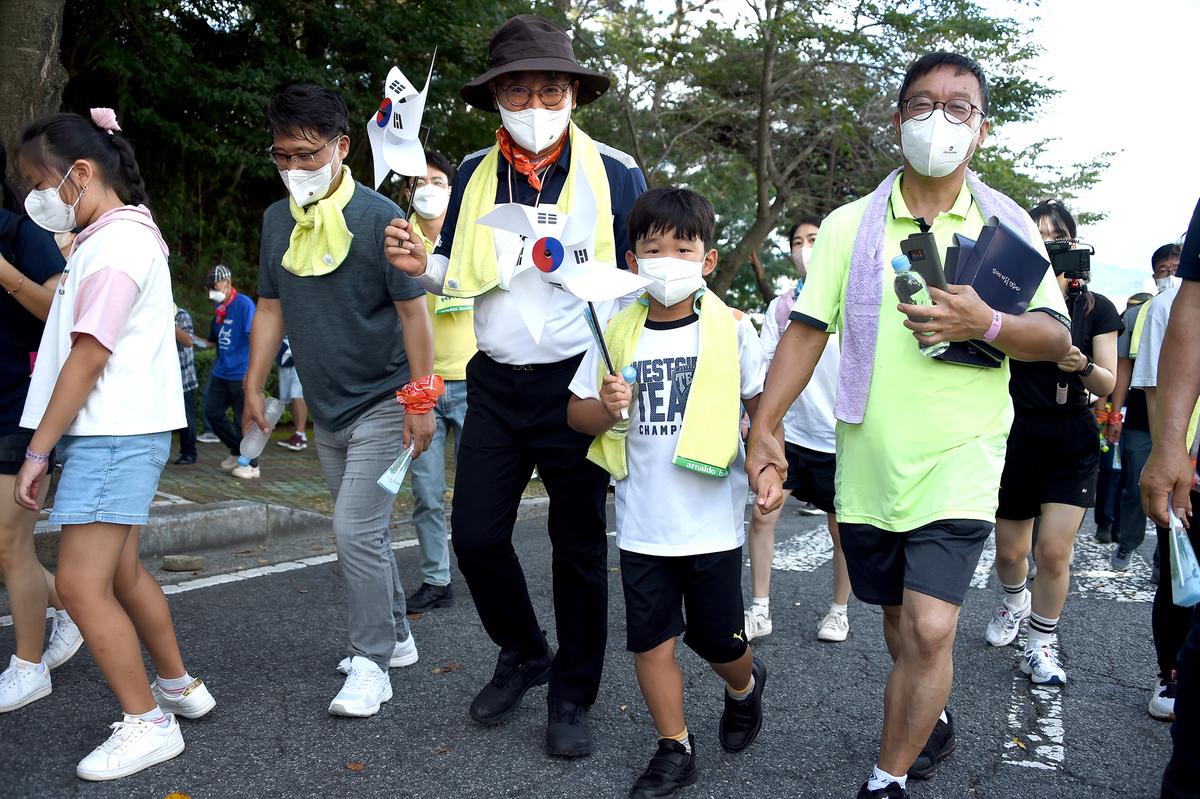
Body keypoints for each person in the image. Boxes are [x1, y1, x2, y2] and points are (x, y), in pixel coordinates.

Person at [744, 53, 1070, 799]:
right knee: (898, 621)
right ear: (897, 121)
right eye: (923, 104)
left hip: (963, 456)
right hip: (870, 464)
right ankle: (933, 710)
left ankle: (885, 780)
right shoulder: (847, 225)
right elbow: (805, 329)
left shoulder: (1007, 224)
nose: (939, 119)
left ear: (982, 129)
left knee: (929, 628)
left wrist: (984, 319)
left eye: (960, 107)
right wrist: (765, 425)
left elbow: (1054, 337)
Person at [384, 14, 647, 757]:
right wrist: (419, 265)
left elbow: (644, 271)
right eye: (520, 90)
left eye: (551, 89)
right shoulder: (472, 172)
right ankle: (525, 650)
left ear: (574, 94)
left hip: (578, 385)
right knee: (475, 536)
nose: (536, 104)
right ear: (496, 96)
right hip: (494, 381)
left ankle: (572, 691)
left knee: (577, 548)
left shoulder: (618, 173)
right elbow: (461, 271)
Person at [14, 109, 215, 780]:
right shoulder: (120, 236)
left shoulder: (113, 246)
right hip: (126, 429)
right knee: (120, 572)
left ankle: (146, 722)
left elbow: (88, 354)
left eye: (36, 183)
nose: (31, 200)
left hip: (112, 431)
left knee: (78, 579)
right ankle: (178, 686)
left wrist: (39, 450)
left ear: (80, 173)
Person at [568, 187, 766, 797]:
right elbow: (576, 416)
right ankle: (674, 746)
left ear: (707, 260)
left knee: (718, 640)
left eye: (683, 248)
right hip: (642, 523)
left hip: (711, 525)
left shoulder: (733, 329)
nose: (668, 260)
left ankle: (745, 687)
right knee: (651, 643)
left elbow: (762, 409)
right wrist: (604, 408)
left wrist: (768, 467)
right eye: (653, 248)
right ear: (633, 260)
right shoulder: (613, 333)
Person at [245, 83, 433, 717]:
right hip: (326, 410)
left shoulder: (381, 219)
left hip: (385, 402)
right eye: (282, 156)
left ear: (341, 146)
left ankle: (372, 663)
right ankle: (399, 636)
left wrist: (421, 400)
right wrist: (255, 381)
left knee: (353, 530)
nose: (294, 168)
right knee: (368, 535)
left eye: (306, 153)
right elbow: (270, 305)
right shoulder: (277, 220)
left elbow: (416, 318)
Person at [983, 200, 1121, 687]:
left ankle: (1040, 644)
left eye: (1057, 237)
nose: (1048, 244)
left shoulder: (1095, 307)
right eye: (1037, 236)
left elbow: (1106, 383)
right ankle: (1014, 600)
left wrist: (1081, 364)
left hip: (1072, 436)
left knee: (1054, 552)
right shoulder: (1006, 299)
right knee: (1010, 551)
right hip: (1016, 434)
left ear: (1072, 244)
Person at [0, 140, 83, 714]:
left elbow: (64, 310)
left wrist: (3, 274)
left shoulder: (16, 232)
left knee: (8, 545)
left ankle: (28, 667)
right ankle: (77, 606)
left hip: (17, 410)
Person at [745, 214, 852, 643]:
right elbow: (766, 366)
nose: (805, 247)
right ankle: (759, 609)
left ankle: (839, 611)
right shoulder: (782, 306)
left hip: (840, 438)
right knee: (761, 514)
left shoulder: (853, 299)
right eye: (797, 240)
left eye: (813, 239)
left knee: (840, 531)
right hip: (793, 436)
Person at [1140, 196, 1200, 799]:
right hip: (1187, 458)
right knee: (1180, 578)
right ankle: (1171, 675)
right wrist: (1169, 448)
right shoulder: (1165, 305)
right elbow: (1195, 307)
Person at [405, 150, 473, 611]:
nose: (428, 187)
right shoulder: (395, 236)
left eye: (438, 180)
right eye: (420, 181)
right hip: (423, 387)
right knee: (426, 493)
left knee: (478, 495)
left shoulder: (473, 234)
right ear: (409, 190)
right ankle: (436, 578)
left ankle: (485, 570)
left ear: (452, 189)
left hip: (475, 382)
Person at [1093, 291, 1153, 543]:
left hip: (1173, 421)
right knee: (1119, 475)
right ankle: (1112, 528)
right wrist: (1109, 413)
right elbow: (1115, 371)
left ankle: (1124, 529)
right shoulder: (1135, 319)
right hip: (1131, 418)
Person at [202, 263, 258, 478]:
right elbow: (212, 341)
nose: (211, 292)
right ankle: (237, 450)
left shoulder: (244, 305)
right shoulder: (219, 310)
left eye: (214, 286)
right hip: (221, 371)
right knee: (212, 412)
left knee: (242, 419)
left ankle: (252, 464)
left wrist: (251, 373)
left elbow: (253, 338)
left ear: (227, 283)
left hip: (240, 372)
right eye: (209, 288)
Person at [172, 304, 199, 465]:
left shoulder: (181, 315)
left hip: (184, 377)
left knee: (187, 416)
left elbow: (189, 341)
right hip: (166, 377)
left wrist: (169, 324)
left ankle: (189, 453)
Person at [274, 334, 308, 451]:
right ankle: (299, 434)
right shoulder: (279, 316)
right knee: (288, 399)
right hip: (284, 361)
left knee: (297, 395)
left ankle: (300, 434)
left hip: (301, 360)